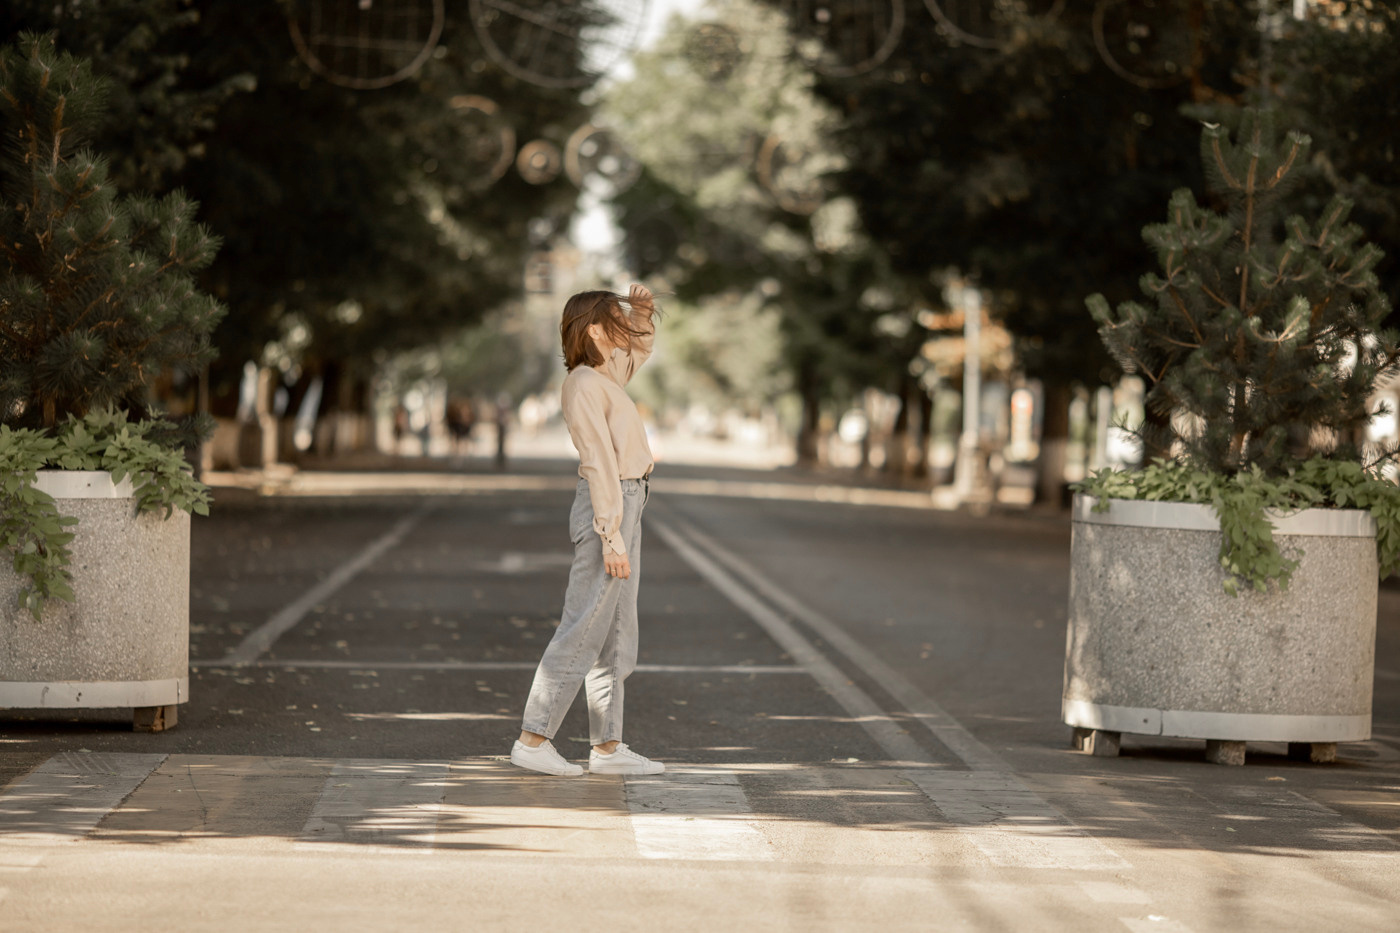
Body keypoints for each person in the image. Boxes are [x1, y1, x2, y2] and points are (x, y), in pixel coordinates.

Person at [511, 284, 663, 777]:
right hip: (611, 502)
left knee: (617, 633)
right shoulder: (582, 384)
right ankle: (533, 739)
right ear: (594, 330)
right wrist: (611, 534)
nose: (625, 332)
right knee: (583, 626)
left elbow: (639, 349)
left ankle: (608, 748)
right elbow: (598, 463)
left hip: (631, 498)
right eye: (616, 322)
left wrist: (640, 310)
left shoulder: (605, 376)